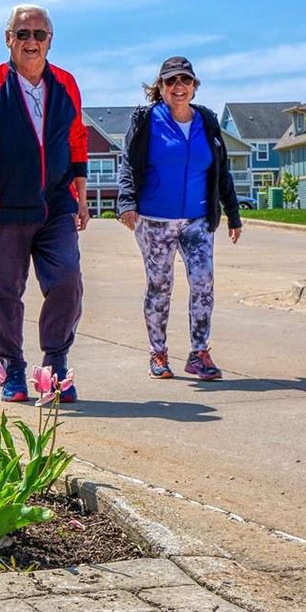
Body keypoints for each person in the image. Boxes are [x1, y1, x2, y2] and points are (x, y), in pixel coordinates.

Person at [0, 3, 87, 404]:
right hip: (5, 208)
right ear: (8, 39)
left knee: (67, 280)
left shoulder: (65, 83)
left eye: (39, 34)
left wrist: (81, 198)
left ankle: (55, 364)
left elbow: (77, 140)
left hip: (55, 207)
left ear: (50, 40)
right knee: (1, 290)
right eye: (23, 34)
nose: (32, 41)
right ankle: (11, 367)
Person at [117, 56, 243, 381]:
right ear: (160, 87)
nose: (178, 87)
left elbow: (221, 171)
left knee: (203, 283)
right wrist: (127, 202)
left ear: (194, 86)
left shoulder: (208, 121)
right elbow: (129, 163)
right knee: (160, 285)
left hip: (198, 219)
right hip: (154, 219)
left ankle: (199, 353)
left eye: (185, 80)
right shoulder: (147, 120)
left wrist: (233, 213)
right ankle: (158, 353)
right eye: (171, 81)